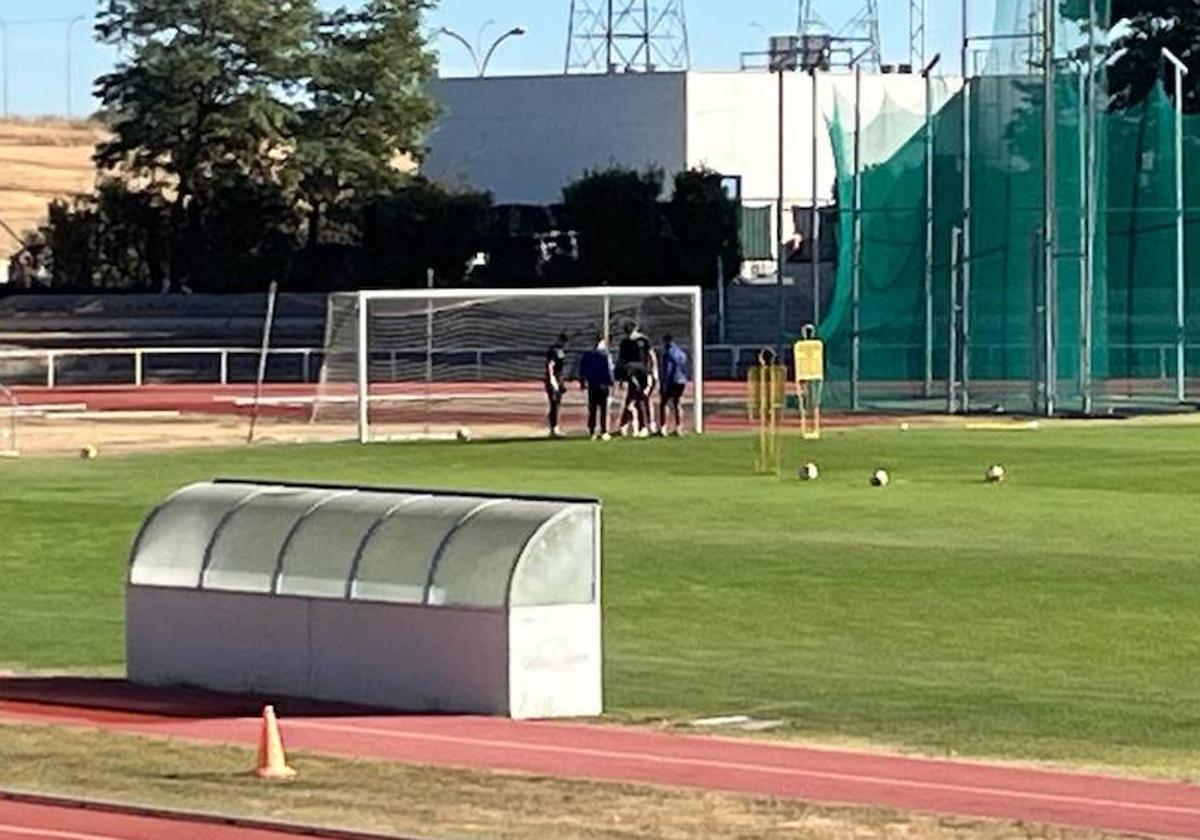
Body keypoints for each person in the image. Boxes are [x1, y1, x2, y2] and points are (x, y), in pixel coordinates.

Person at [616, 322, 653, 437]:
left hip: (641, 372)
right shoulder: (625, 343)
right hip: (634, 372)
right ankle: (636, 426)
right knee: (636, 399)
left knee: (636, 399)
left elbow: (651, 356)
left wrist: (651, 372)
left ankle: (634, 426)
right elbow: (621, 360)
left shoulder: (643, 340)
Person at [577, 332, 615, 440]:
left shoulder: (588, 354)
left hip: (592, 384)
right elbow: (609, 370)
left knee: (592, 409)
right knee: (604, 409)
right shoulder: (606, 354)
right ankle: (604, 431)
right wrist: (610, 383)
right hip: (603, 385)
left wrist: (582, 382)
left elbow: (582, 370)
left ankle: (592, 431)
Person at [658, 334, 690, 436]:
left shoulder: (668, 353)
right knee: (677, 404)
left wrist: (664, 383)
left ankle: (663, 428)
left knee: (664, 404)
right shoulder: (681, 352)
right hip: (681, 380)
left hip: (672, 380)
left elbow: (668, 369)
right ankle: (679, 427)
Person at [544, 331, 569, 438]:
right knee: (554, 404)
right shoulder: (554, 351)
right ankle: (553, 428)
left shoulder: (560, 350)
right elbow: (550, 366)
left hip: (559, 379)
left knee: (557, 404)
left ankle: (555, 427)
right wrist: (553, 380)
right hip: (554, 379)